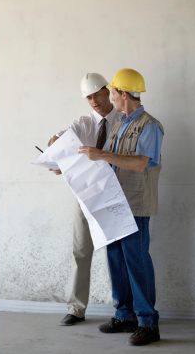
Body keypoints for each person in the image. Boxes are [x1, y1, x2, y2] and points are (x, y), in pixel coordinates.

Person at [78, 68, 164, 346]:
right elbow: (110, 161)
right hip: (114, 202)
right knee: (116, 257)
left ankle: (148, 323)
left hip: (136, 204)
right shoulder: (120, 123)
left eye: (113, 92)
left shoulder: (150, 125)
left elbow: (141, 163)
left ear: (123, 94)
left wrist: (102, 154)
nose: (110, 97)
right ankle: (125, 314)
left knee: (137, 261)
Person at [48, 73, 124, 326]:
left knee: (118, 254)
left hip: (116, 195)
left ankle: (124, 310)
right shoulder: (82, 123)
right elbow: (56, 140)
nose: (93, 101)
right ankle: (76, 309)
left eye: (97, 95)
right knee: (80, 251)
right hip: (85, 195)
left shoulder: (124, 120)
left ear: (107, 92)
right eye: (88, 97)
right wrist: (56, 152)